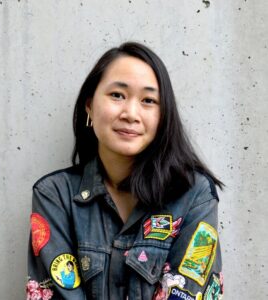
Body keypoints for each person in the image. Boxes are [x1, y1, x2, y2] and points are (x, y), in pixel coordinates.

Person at [27, 42, 224, 300]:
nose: (131, 113)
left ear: (163, 116)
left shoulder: (193, 195)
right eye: (117, 95)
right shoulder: (55, 196)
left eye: (148, 100)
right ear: (89, 105)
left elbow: (189, 293)